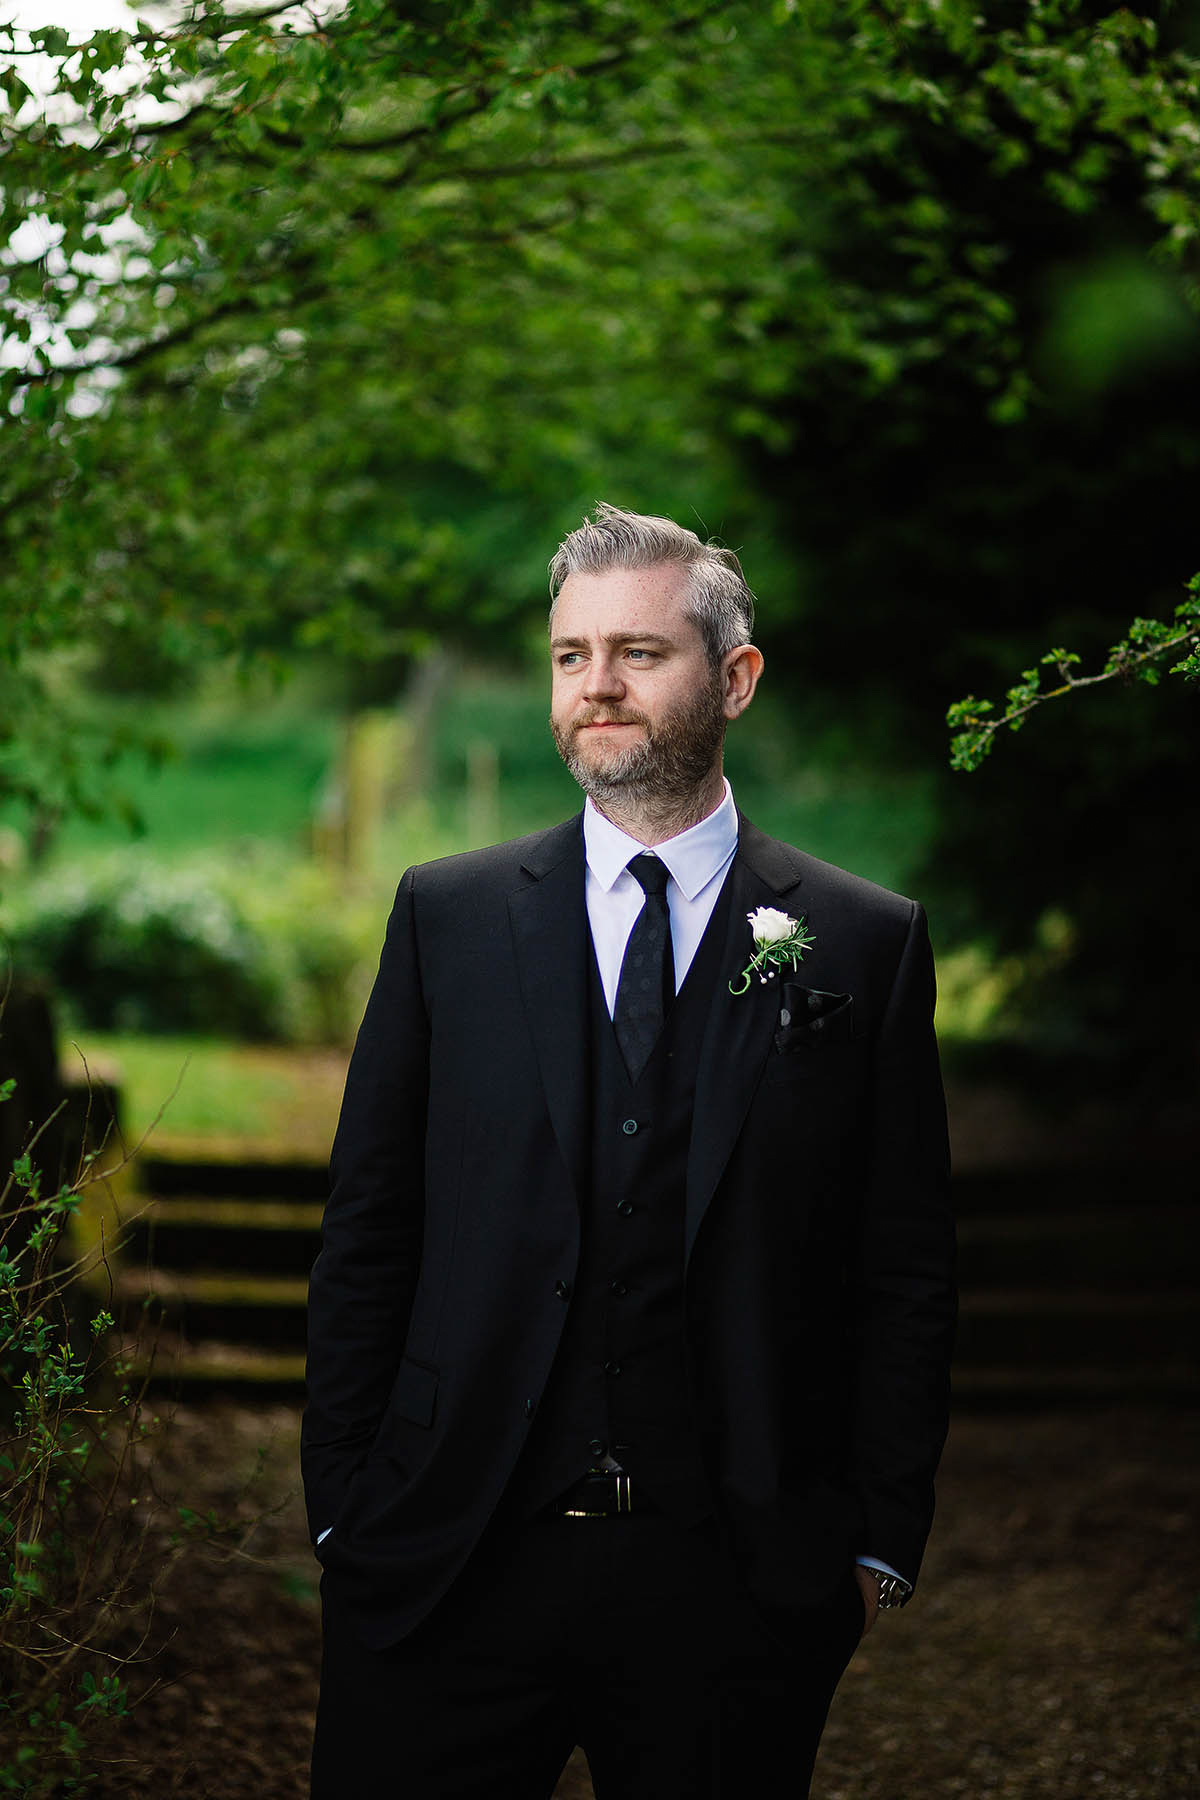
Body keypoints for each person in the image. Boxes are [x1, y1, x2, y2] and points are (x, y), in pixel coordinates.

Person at [302, 503, 956, 1799]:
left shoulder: (863, 943)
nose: (595, 685)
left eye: (639, 653)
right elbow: (370, 1225)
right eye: (569, 655)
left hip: (737, 1581)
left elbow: (905, 1264)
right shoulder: (449, 918)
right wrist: (344, 1504)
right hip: (451, 1555)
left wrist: (874, 1538)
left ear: (736, 676)